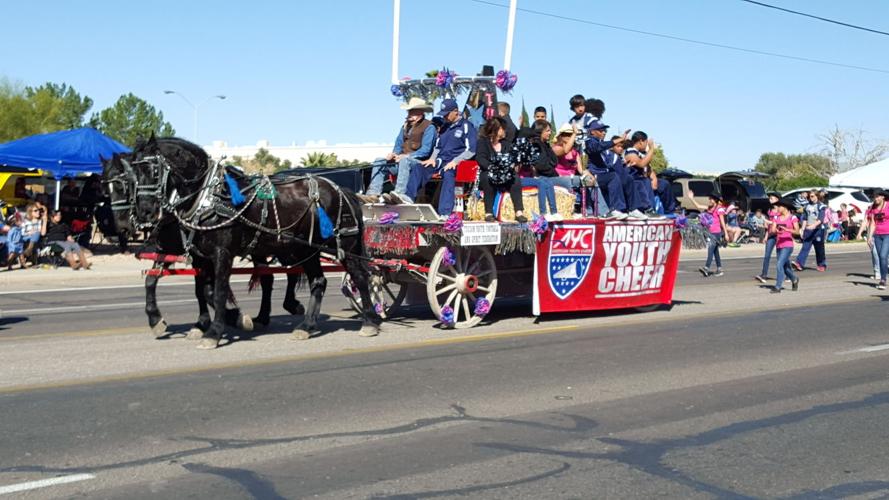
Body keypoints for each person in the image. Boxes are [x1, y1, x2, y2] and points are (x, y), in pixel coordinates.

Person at [401, 99, 477, 218]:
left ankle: (445, 212)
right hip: (440, 161)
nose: (445, 117)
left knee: (448, 174)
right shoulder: (444, 127)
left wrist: (455, 161)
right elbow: (438, 146)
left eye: (447, 114)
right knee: (420, 167)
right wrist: (432, 159)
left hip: (457, 163)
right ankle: (408, 198)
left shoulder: (467, 126)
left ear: (455, 111)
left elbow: (471, 149)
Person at [363, 98, 436, 204]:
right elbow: (398, 145)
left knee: (405, 161)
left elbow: (426, 150)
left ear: (420, 113)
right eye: (409, 111)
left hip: (419, 163)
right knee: (379, 161)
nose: (409, 114)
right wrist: (394, 155)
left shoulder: (429, 127)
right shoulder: (404, 127)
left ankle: (399, 194)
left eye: (411, 112)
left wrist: (406, 157)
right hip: (402, 161)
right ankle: (373, 194)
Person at [476, 117, 526, 223]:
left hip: (505, 174)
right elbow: (481, 158)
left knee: (515, 179)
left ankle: (519, 212)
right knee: (486, 177)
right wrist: (493, 168)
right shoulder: (483, 142)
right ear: (497, 129)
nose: (505, 131)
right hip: (489, 172)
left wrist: (512, 165)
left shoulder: (506, 143)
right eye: (503, 128)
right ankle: (488, 213)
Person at [584, 120, 632, 219]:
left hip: (603, 175)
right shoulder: (589, 141)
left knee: (628, 178)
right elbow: (597, 147)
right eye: (601, 130)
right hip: (593, 176)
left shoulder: (601, 143)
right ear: (592, 131)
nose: (604, 132)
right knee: (613, 176)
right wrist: (618, 140)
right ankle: (615, 209)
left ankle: (635, 209)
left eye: (605, 130)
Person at [518, 120, 563, 221]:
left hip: (544, 176)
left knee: (548, 182)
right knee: (542, 182)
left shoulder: (544, 145)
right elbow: (538, 165)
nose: (550, 133)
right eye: (547, 131)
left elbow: (554, 161)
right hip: (524, 178)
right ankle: (543, 212)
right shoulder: (529, 147)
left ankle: (554, 212)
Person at [689, 192, 727, 277]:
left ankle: (706, 268)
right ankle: (719, 269)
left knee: (710, 250)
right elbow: (698, 206)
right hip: (710, 232)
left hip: (716, 233)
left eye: (711, 199)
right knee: (715, 251)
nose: (709, 200)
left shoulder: (719, 209)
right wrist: (691, 198)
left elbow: (722, 222)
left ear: (715, 200)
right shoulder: (709, 208)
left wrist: (726, 234)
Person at [769, 200, 800, 293]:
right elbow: (772, 230)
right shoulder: (776, 217)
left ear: (785, 207)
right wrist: (776, 231)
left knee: (779, 264)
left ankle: (778, 287)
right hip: (779, 244)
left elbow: (797, 232)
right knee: (785, 267)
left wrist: (787, 229)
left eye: (779, 207)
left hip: (788, 245)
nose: (777, 209)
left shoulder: (792, 217)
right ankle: (794, 278)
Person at [793, 190, 828, 272]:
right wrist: (802, 229)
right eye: (809, 196)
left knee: (819, 248)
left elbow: (820, 219)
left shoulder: (821, 206)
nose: (810, 198)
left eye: (812, 196)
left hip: (818, 230)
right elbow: (805, 218)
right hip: (808, 230)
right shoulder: (807, 206)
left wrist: (814, 225)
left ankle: (821, 264)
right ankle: (799, 263)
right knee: (805, 247)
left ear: (817, 196)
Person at [867, 190, 889, 290]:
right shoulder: (873, 208)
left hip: (888, 234)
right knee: (881, 257)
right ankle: (883, 278)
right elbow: (872, 223)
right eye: (874, 197)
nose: (875, 199)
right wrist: (869, 237)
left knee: (883, 255)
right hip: (877, 235)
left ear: (883, 197)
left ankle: (883, 280)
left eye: (877, 196)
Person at [857, 201, 881, 281]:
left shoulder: (886, 207)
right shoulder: (870, 209)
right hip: (872, 235)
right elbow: (865, 221)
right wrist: (859, 233)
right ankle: (877, 273)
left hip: (885, 233)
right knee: (875, 254)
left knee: (884, 255)